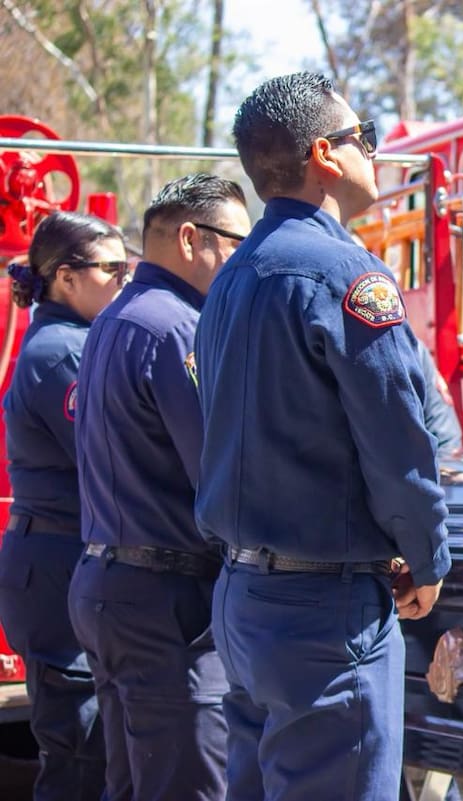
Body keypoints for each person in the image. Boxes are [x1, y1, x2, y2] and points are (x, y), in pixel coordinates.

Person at [194, 72, 450, 801]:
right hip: (323, 613)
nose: (374, 150)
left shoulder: (234, 276)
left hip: (242, 599)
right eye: (363, 135)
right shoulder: (346, 275)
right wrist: (427, 558)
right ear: (325, 156)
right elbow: (400, 446)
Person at [68, 173, 251, 801]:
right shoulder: (177, 328)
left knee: (134, 783)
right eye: (236, 242)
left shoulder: (115, 318)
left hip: (112, 585)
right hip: (167, 602)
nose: (243, 260)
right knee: (190, 786)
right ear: (191, 238)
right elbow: (223, 478)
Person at [0, 211, 126, 801]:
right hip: (55, 567)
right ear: (66, 278)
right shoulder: (60, 356)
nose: (125, 281)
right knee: (78, 750)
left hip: (64, 559)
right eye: (112, 270)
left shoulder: (77, 343)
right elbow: (114, 457)